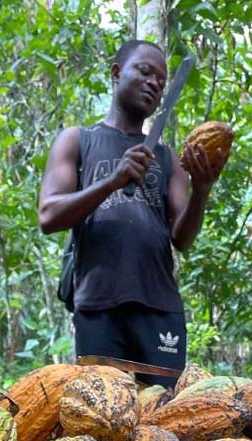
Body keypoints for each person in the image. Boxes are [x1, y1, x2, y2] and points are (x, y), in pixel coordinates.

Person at [38, 39, 229, 388]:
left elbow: (181, 239)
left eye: (161, 78)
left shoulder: (167, 157)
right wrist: (112, 181)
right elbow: (48, 215)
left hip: (159, 307)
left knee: (160, 412)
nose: (154, 83)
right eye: (144, 71)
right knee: (100, 413)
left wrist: (202, 189)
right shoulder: (77, 140)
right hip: (98, 305)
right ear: (116, 73)